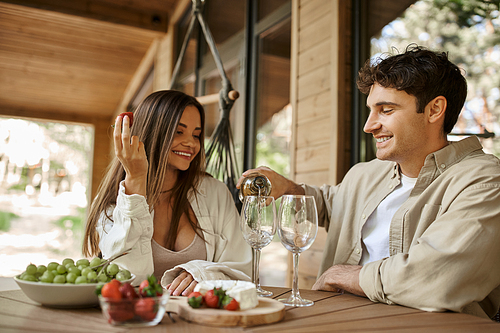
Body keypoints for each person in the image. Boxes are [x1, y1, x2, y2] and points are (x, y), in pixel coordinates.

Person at [237, 45, 500, 318]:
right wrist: (290, 190)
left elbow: (441, 277)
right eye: (371, 110)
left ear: (435, 110)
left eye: (385, 110)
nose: (368, 125)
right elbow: (334, 203)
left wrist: (344, 276)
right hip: (336, 320)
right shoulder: (366, 173)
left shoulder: (483, 181)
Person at [83, 90, 251, 296]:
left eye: (196, 135)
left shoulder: (215, 192)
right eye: (179, 132)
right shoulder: (113, 203)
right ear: (152, 132)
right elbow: (128, 277)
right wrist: (135, 181)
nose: (191, 143)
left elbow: (243, 269)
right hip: (137, 319)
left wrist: (202, 274)